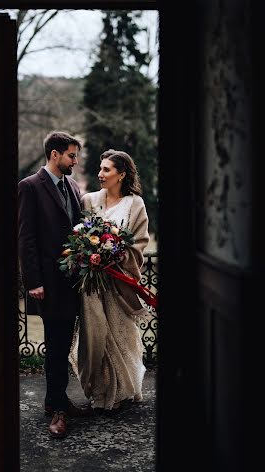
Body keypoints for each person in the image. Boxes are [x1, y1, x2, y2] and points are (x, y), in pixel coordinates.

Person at [18, 131, 92, 439]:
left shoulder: (73, 186)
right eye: (71, 156)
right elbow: (26, 238)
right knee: (56, 346)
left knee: (63, 342)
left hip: (73, 282)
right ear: (54, 155)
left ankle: (54, 402)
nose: (75, 161)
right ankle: (59, 410)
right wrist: (33, 281)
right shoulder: (30, 187)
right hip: (47, 283)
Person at [70, 149, 151, 413]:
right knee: (95, 336)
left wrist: (114, 255)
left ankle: (122, 390)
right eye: (100, 169)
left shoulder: (135, 204)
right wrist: (88, 255)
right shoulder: (88, 200)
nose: (100, 174)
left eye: (107, 170)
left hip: (118, 282)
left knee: (120, 334)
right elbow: (77, 237)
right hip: (91, 285)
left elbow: (139, 243)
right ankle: (98, 388)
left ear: (121, 174)